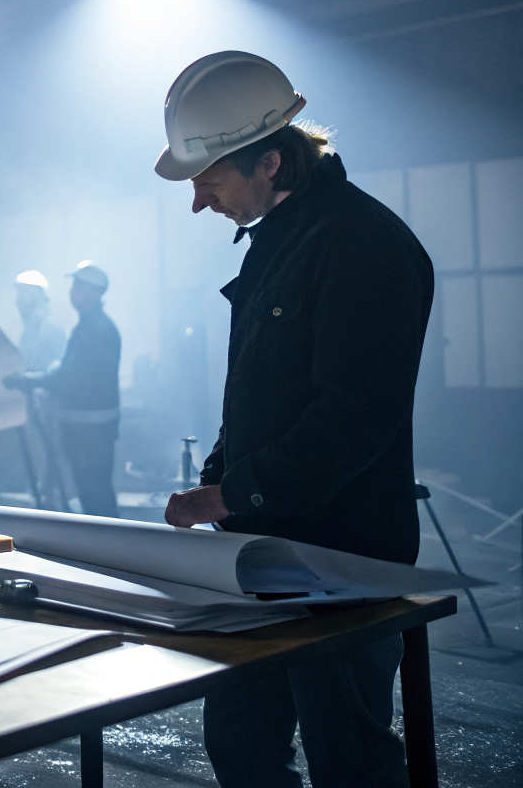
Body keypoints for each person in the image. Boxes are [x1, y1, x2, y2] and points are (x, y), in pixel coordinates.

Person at [156, 51, 433, 788]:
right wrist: (223, 479)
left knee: (350, 759)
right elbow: (256, 392)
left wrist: (231, 494)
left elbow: (353, 415)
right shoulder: (277, 245)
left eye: (208, 183)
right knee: (243, 745)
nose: (198, 203)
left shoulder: (363, 245)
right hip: (260, 558)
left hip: (339, 561)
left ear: (270, 163)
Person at [4, 263, 121, 518]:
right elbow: (70, 370)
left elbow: (71, 377)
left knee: (94, 494)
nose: (73, 292)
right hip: (89, 427)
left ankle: (108, 547)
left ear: (92, 293)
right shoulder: (89, 326)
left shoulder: (95, 330)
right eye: (74, 286)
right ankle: (106, 545)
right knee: (94, 492)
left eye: (79, 287)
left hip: (90, 430)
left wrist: (31, 380)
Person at [13, 270, 66, 375]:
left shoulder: (49, 326)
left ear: (38, 294)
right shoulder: (31, 327)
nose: (18, 299)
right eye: (19, 292)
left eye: (24, 291)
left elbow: (57, 370)